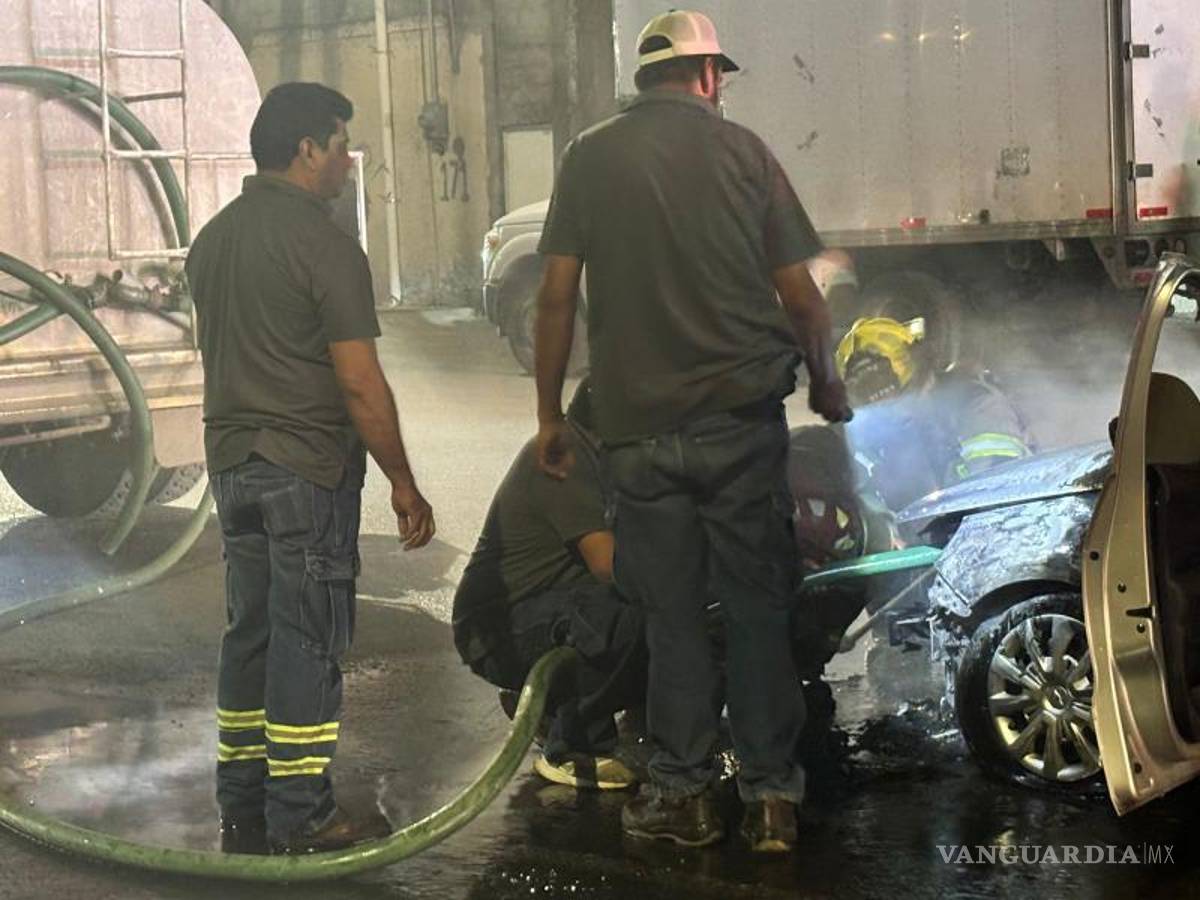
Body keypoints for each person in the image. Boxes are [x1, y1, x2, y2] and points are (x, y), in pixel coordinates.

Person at [532, 10, 852, 853]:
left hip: (639, 432)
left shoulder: (589, 157)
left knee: (671, 614)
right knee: (755, 610)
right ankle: (772, 799)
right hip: (741, 426)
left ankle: (683, 794)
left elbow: (556, 294)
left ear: (646, 79)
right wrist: (827, 384)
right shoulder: (746, 155)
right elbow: (802, 294)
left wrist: (547, 416)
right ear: (709, 77)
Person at [186, 82, 436, 855]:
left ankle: (245, 798)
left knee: (251, 632)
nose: (348, 162)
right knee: (308, 641)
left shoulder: (213, 240)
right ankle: (303, 812)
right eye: (340, 145)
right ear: (306, 151)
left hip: (231, 466)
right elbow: (359, 381)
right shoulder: (327, 247)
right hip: (304, 468)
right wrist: (402, 480)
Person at [452, 381, 646, 789]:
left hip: (548, 607)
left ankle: (557, 706)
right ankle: (574, 746)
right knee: (620, 617)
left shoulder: (611, 461)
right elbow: (609, 565)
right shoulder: (565, 460)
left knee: (656, 610)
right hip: (496, 627)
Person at [836, 315, 1036, 513]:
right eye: (880, 409)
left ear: (922, 375)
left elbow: (998, 486)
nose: (892, 415)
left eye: (899, 400)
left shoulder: (974, 403)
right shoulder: (875, 437)